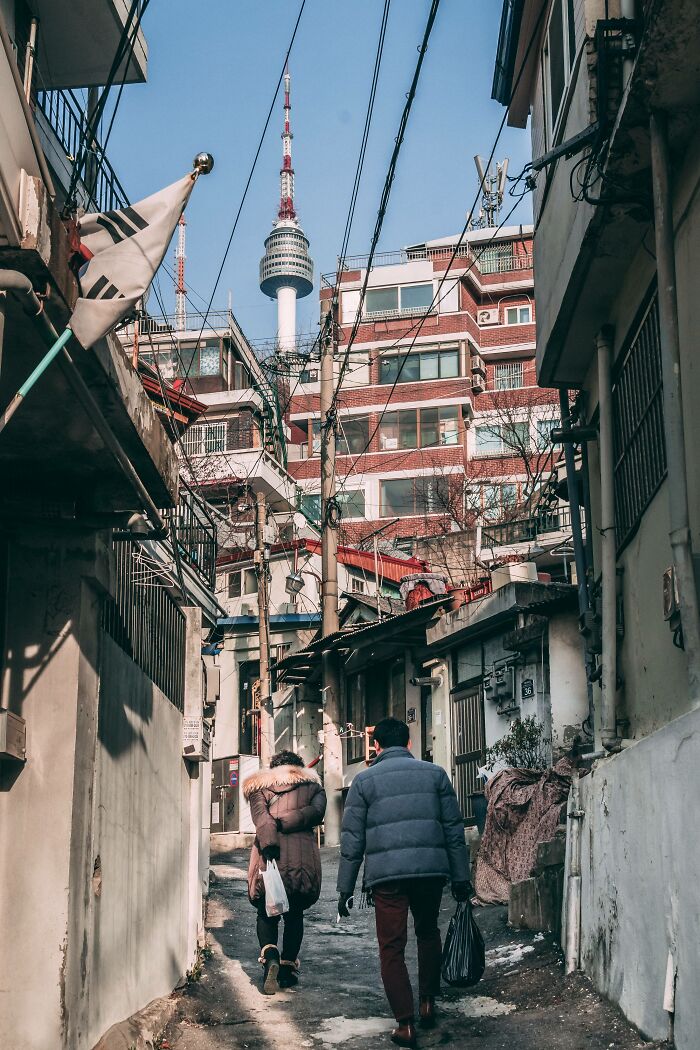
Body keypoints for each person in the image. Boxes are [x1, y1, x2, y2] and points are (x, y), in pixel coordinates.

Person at [337, 717, 471, 1048]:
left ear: (377, 747)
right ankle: (427, 1003)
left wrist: (345, 889)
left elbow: (352, 840)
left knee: (391, 946)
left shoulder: (363, 781)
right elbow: (454, 830)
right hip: (430, 872)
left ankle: (405, 1023)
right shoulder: (436, 774)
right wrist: (460, 878)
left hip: (388, 878)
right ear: (409, 744)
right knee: (428, 933)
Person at [244, 749, 327, 994]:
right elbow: (316, 813)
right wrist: (288, 822)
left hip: (270, 860)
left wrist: (270, 843)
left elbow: (262, 819)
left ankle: (270, 956)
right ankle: (288, 970)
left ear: (274, 767)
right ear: (299, 768)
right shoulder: (313, 788)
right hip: (302, 860)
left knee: (266, 913)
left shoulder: (260, 787)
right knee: (295, 914)